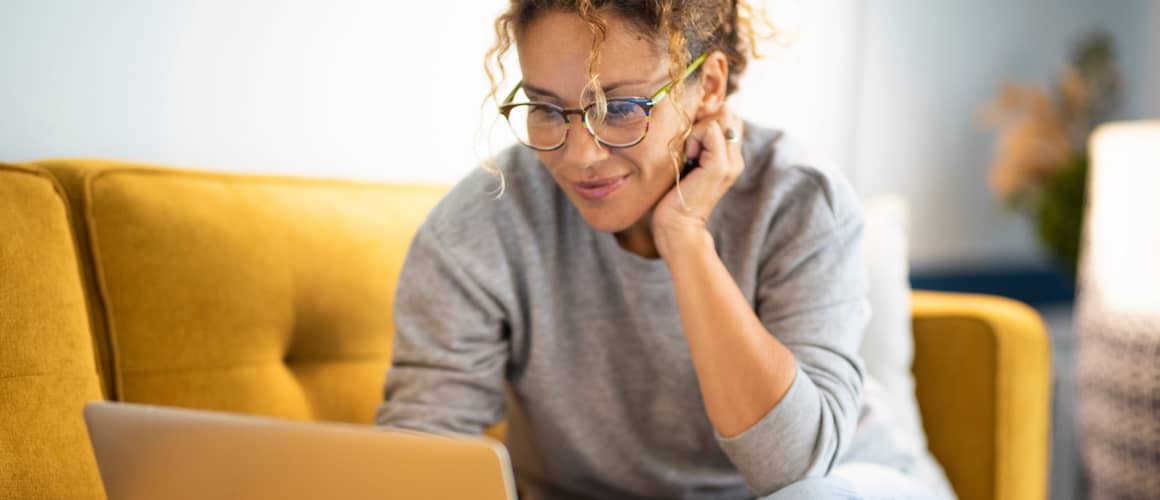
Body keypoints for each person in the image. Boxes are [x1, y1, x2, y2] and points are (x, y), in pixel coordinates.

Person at [377, 1, 953, 498]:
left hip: (837, 484)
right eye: (548, 110)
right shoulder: (481, 223)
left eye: (622, 108)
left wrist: (685, 240)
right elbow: (421, 457)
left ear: (708, 87)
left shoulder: (801, 202)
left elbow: (792, 469)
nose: (579, 156)